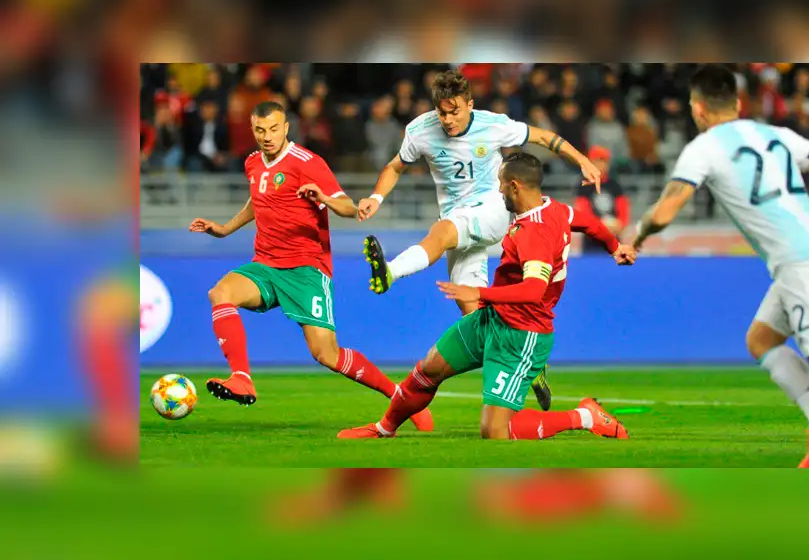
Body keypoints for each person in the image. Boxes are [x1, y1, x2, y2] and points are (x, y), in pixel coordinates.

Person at [632, 65, 809, 468]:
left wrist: (637, 234)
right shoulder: (775, 134)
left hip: (803, 264)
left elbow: (664, 213)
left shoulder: (704, 148)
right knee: (761, 340)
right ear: (737, 104)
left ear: (698, 109)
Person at [339, 152, 635, 440]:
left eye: (501, 183)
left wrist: (478, 292)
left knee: (495, 431)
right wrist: (614, 247)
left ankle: (585, 417)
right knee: (428, 370)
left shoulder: (534, 233)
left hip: (521, 334)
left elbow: (534, 290)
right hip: (492, 319)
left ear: (514, 186)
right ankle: (384, 429)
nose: (499, 190)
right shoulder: (554, 209)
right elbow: (587, 222)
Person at [356, 70, 602, 409]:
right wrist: (376, 197)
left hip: (492, 210)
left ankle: (390, 272)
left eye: (454, 111)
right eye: (442, 112)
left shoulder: (493, 125)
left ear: (469, 105)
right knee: (476, 316)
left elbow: (545, 137)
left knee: (442, 231)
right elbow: (395, 167)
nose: (447, 119)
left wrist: (583, 161)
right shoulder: (419, 130)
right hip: (459, 223)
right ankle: (531, 365)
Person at [187, 100, 432, 431]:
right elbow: (257, 201)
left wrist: (324, 199)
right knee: (221, 293)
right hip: (266, 265)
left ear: (286, 128)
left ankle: (398, 395)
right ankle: (242, 378)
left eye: (274, 129)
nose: (267, 136)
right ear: (253, 130)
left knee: (326, 354)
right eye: (260, 130)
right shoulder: (252, 162)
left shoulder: (308, 163)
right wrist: (224, 229)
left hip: (306, 270)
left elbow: (349, 207)